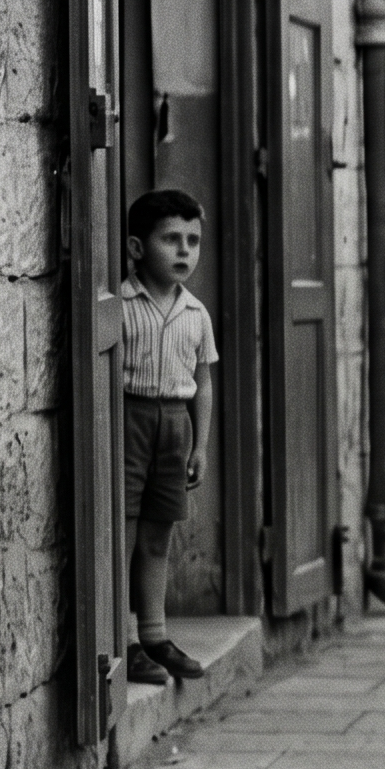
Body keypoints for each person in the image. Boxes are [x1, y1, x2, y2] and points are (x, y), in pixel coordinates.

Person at [120, 189, 218, 687]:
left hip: (174, 427)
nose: (184, 251)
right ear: (137, 248)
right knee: (123, 534)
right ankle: (124, 641)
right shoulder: (119, 305)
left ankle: (155, 635)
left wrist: (200, 445)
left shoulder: (196, 314)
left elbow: (203, 381)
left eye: (193, 241)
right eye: (171, 239)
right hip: (130, 421)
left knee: (158, 533)